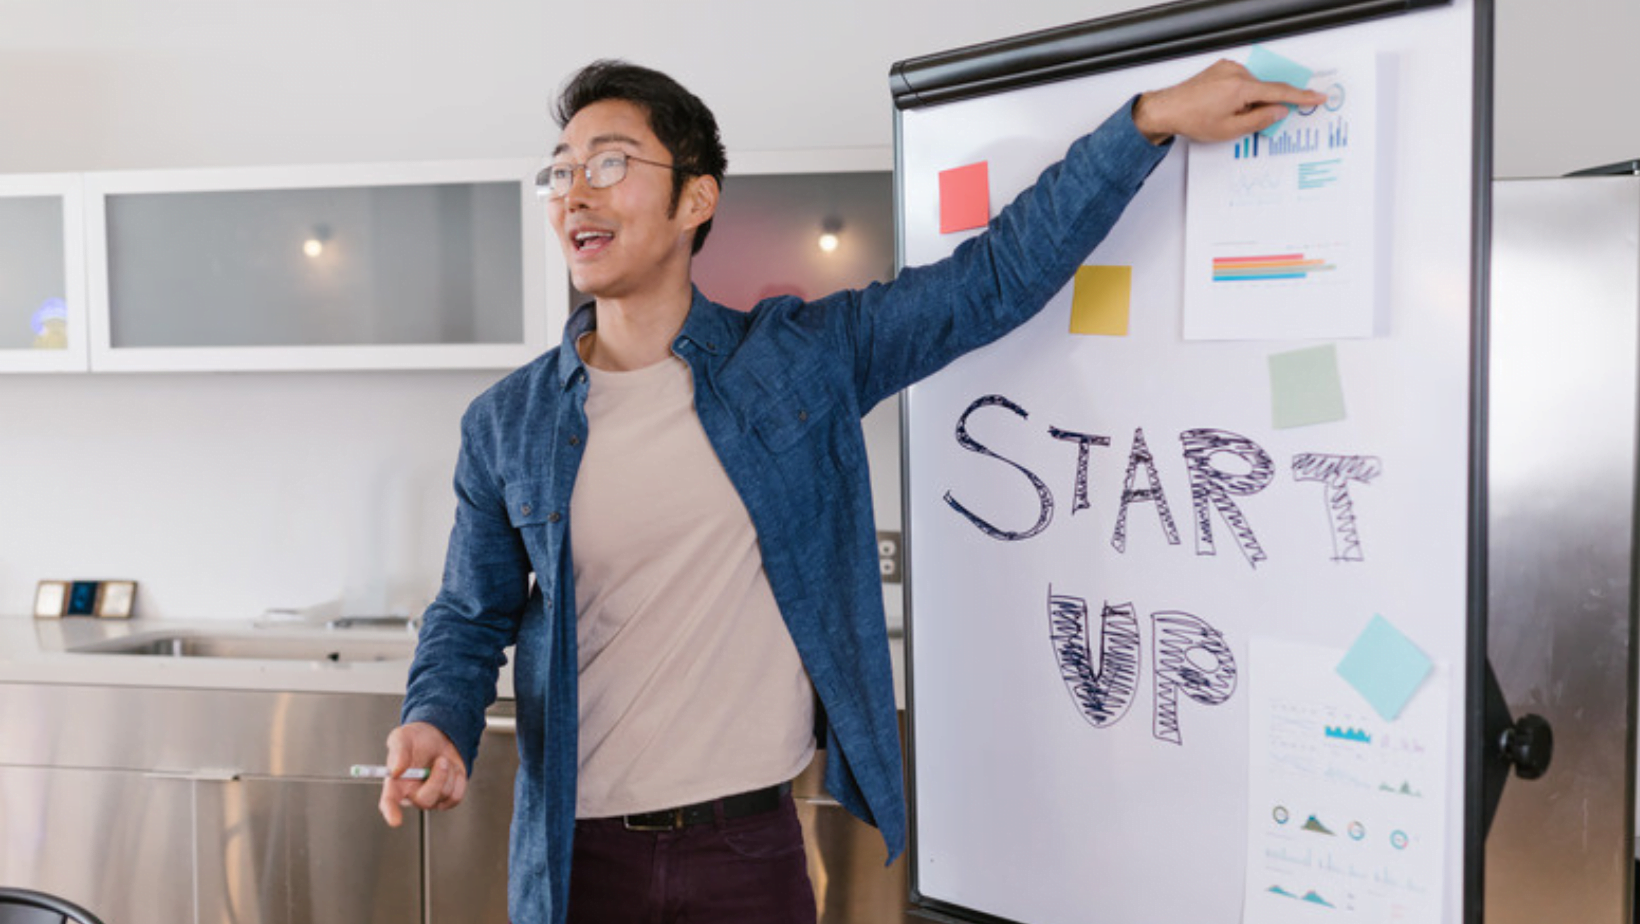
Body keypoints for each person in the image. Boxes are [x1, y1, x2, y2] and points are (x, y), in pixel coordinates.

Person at [377, 57, 1322, 924]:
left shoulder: (798, 361)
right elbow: (469, 615)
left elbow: (991, 281)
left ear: (695, 197)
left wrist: (1148, 121)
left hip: (748, 850)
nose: (575, 192)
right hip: (578, 863)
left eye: (610, 162)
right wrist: (434, 718)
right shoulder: (507, 423)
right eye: (561, 171)